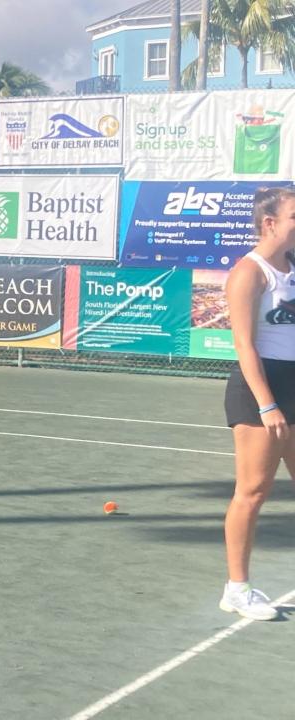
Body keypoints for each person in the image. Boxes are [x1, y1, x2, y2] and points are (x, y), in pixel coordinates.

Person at [221, 185, 295, 622]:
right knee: (252, 491)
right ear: (270, 223)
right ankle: (237, 589)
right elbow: (244, 345)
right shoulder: (249, 273)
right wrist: (269, 405)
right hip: (260, 386)